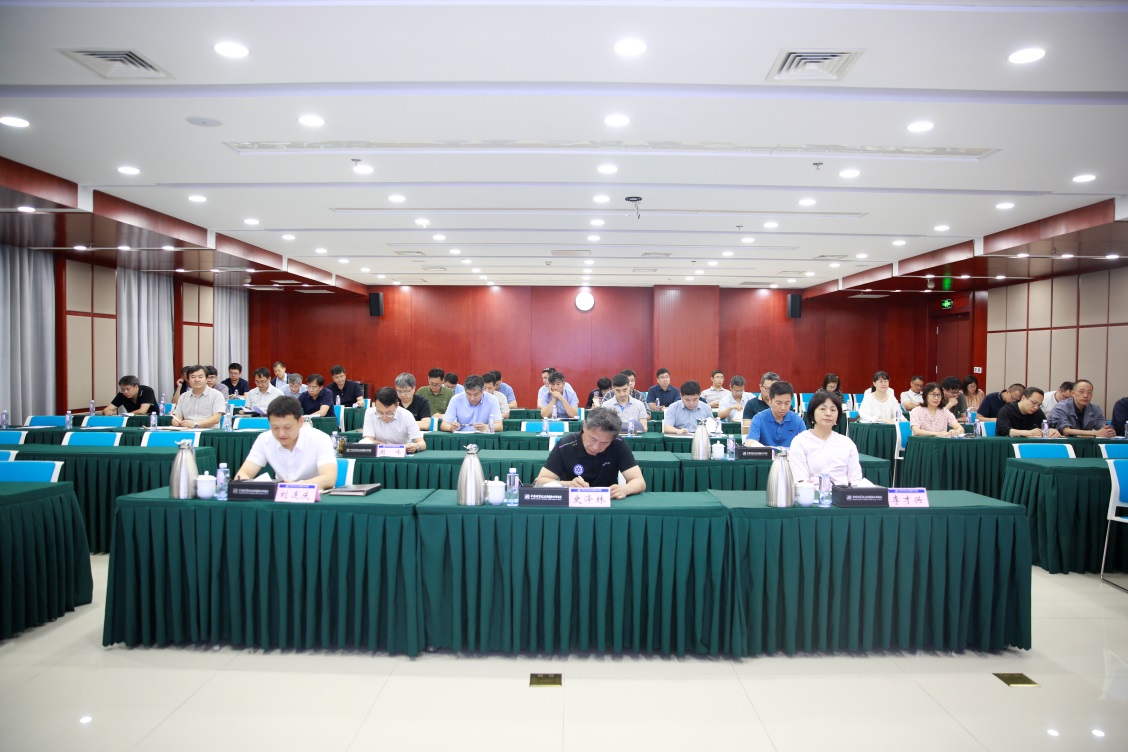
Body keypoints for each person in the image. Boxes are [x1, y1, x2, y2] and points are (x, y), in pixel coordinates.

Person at [534, 407, 646, 500]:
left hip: (607, 502)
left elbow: (639, 481)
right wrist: (567, 484)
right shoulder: (566, 444)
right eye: (593, 439)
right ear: (584, 426)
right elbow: (540, 481)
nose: (596, 447)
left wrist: (625, 489)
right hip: (573, 502)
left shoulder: (618, 444)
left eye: (604, 443)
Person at [234, 396, 337, 489]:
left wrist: (298, 486)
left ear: (300, 422)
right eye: (275, 428)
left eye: (287, 427)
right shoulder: (264, 439)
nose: (281, 434)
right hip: (279, 497)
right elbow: (244, 474)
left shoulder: (320, 438)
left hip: (314, 498)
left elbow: (329, 478)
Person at [789, 390, 866, 485]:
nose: (828, 413)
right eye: (823, 409)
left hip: (843, 492)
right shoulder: (800, 441)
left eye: (833, 410)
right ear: (812, 413)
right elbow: (801, 480)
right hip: (812, 492)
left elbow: (855, 479)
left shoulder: (846, 443)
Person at [362, 387, 426, 452]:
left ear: (397, 405)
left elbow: (422, 443)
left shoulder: (406, 415)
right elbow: (368, 440)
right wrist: (389, 447)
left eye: (389, 413)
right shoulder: (370, 413)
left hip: (401, 454)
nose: (384, 417)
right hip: (378, 453)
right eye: (380, 413)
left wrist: (416, 446)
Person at [746, 380, 806, 448]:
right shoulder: (759, 418)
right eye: (778, 403)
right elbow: (750, 442)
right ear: (770, 401)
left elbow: (806, 443)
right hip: (766, 454)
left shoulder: (797, 420)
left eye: (787, 403)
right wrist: (770, 451)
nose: (783, 407)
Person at [1049, 378, 1116, 438]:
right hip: (1061, 443)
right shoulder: (1061, 407)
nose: (1085, 395)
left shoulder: (1095, 409)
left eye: (1089, 392)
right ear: (1072, 393)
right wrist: (1096, 433)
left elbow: (1104, 427)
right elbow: (1066, 431)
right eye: (1081, 392)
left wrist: (1109, 432)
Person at [170, 364, 225, 429]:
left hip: (209, 432)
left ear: (206, 379)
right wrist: (176, 421)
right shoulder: (183, 396)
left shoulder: (217, 395)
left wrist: (195, 424)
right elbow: (178, 416)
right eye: (193, 377)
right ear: (188, 380)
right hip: (187, 431)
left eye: (200, 377)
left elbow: (216, 418)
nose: (197, 380)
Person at [997, 387, 1062, 438]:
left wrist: (1051, 431)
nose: (1036, 407)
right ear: (1023, 398)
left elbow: (1045, 427)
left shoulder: (1038, 412)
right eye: (1034, 403)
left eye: (1039, 405)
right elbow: (1004, 430)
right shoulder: (1006, 410)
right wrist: (1029, 433)